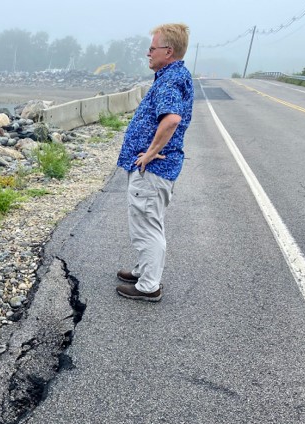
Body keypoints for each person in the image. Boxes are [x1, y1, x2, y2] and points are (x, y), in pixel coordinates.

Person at [115, 23, 194, 302]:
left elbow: (171, 119)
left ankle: (148, 285)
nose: (148, 53)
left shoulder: (171, 79)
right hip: (157, 169)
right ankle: (143, 270)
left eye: (152, 48)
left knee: (147, 225)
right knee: (149, 221)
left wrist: (148, 154)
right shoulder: (173, 75)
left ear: (168, 51)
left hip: (153, 169)